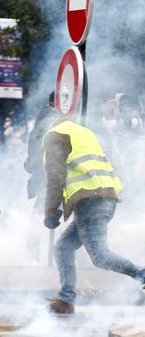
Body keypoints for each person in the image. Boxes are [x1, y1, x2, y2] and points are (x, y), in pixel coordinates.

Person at [44, 117, 145, 315]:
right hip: (104, 196)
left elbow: (55, 176)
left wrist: (50, 211)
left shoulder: (55, 135)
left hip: (91, 200)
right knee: (63, 248)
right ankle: (65, 300)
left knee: (99, 256)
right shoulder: (84, 133)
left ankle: (142, 273)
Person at [24, 91, 59, 261]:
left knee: (38, 217)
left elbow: (30, 164)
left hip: (42, 179)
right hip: (52, 179)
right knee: (42, 216)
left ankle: (33, 257)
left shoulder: (41, 122)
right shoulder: (55, 123)